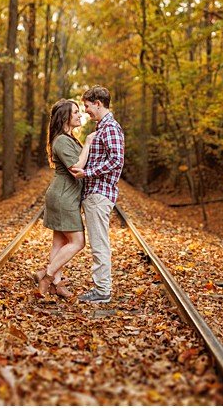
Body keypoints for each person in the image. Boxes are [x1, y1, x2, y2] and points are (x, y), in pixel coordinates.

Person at [69, 86, 123, 304]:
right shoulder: (103, 128)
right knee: (98, 242)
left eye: (87, 106)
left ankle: (102, 290)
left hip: (100, 194)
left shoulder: (110, 127)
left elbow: (117, 160)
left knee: (99, 242)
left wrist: (87, 172)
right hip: (95, 193)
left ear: (98, 103)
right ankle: (102, 287)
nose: (86, 111)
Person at [36, 99, 93, 298]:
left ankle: (56, 285)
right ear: (65, 117)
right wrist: (87, 143)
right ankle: (47, 275)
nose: (80, 115)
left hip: (65, 195)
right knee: (78, 242)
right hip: (63, 198)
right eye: (75, 112)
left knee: (59, 243)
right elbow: (76, 167)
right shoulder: (61, 140)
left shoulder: (68, 139)